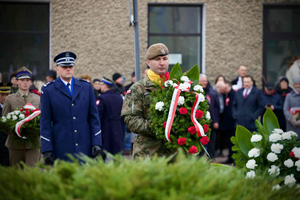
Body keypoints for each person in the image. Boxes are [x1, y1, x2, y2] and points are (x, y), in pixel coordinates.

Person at [40, 51, 102, 164]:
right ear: (58, 69)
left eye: (70, 66)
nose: (68, 69)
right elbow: (45, 123)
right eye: (64, 67)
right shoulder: (48, 90)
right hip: (61, 146)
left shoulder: (86, 87)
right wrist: (46, 149)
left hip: (84, 145)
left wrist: (96, 142)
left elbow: (94, 118)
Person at [121, 43, 174, 159]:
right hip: (148, 153)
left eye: (165, 59)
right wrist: (158, 127)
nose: (162, 63)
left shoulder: (176, 86)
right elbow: (131, 119)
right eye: (157, 59)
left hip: (175, 153)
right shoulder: (138, 88)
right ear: (148, 62)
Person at [2, 67, 41, 167]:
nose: (25, 83)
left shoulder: (38, 99)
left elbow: (42, 119)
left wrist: (35, 129)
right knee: (16, 175)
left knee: (32, 174)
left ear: (30, 82)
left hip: (33, 143)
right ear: (17, 82)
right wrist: (14, 132)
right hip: (15, 143)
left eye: (27, 80)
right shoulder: (10, 99)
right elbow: (4, 121)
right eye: (22, 80)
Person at [96, 77, 124, 160]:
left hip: (105, 130)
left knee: (102, 156)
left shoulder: (102, 98)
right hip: (118, 129)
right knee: (117, 155)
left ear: (105, 86)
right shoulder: (119, 98)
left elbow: (98, 116)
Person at [199, 74, 220, 159]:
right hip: (199, 124)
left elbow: (215, 108)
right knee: (200, 143)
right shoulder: (195, 92)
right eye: (202, 81)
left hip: (211, 123)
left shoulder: (211, 93)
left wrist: (215, 121)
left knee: (211, 142)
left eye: (205, 81)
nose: (204, 83)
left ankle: (211, 159)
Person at [219, 81, 236, 164]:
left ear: (230, 86)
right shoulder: (225, 95)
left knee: (234, 142)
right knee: (229, 142)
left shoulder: (234, 95)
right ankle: (230, 157)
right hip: (226, 122)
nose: (224, 90)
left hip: (233, 122)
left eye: (226, 88)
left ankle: (235, 158)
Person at [0, 82, 12, 166]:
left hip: (9, 145)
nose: (4, 97)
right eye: (2, 94)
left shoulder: (14, 108)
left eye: (7, 94)